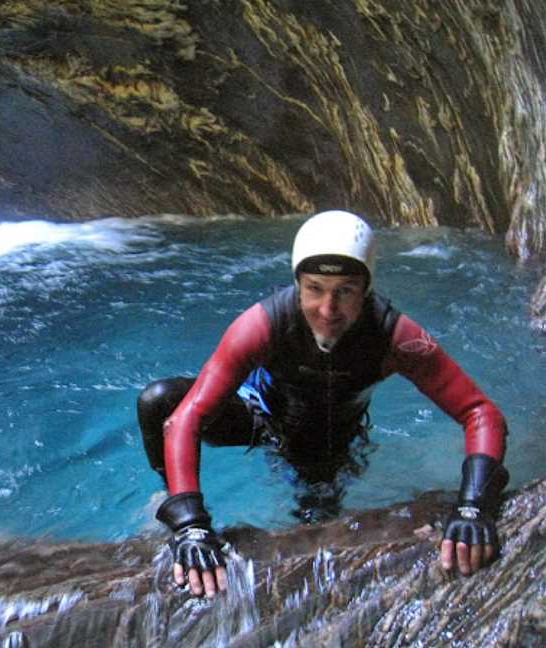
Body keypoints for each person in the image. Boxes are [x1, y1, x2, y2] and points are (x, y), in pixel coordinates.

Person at [138, 210, 509, 598]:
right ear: (297, 285)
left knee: (316, 529)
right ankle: (172, 502)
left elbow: (480, 413)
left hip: (326, 442)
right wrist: (191, 524)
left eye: (345, 291)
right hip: (259, 414)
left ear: (365, 290)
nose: (328, 309)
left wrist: (473, 506)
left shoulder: (394, 337)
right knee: (158, 401)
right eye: (315, 288)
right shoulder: (264, 324)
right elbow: (187, 418)